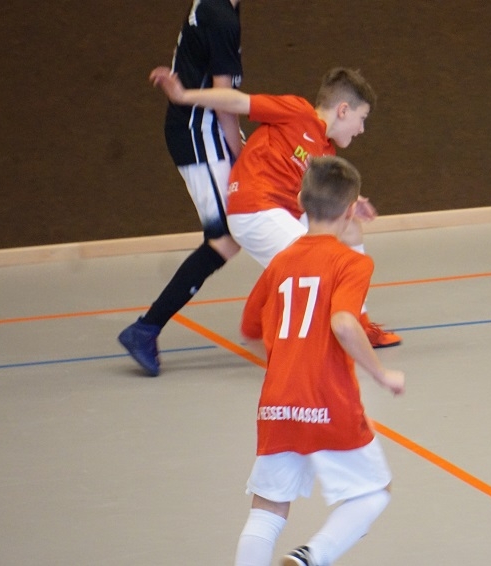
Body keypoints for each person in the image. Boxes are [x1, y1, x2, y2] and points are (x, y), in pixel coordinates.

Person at [145, 65, 402, 357]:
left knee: (350, 224)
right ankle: (266, 329)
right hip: (256, 209)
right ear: (343, 110)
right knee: (317, 264)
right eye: (362, 119)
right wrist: (183, 95)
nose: (362, 129)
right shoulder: (298, 112)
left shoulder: (325, 151)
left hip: (281, 212)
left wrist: (351, 201)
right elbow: (237, 101)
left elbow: (314, 198)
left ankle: (360, 324)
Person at [234, 156, 405, 566]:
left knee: (267, 509)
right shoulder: (352, 263)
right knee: (373, 493)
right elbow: (345, 323)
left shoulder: (280, 262)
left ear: (299, 200)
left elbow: (250, 325)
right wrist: (381, 374)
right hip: (329, 400)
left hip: (277, 402)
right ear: (350, 211)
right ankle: (310, 558)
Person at [118, 0, 246, 377]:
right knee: (225, 239)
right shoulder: (222, 16)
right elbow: (224, 100)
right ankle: (146, 328)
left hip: (202, 130)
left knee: (233, 236)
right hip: (199, 135)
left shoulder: (214, 7)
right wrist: (240, 153)